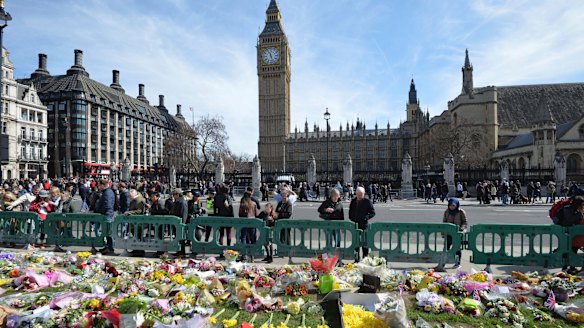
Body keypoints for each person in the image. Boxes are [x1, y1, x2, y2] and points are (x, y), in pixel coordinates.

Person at [556, 196, 584, 274]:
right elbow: (570, 219)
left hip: (574, 235)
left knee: (573, 251)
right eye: (581, 204)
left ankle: (571, 267)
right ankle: (565, 268)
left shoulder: (575, 210)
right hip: (566, 234)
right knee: (568, 251)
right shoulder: (567, 209)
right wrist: (580, 214)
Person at [349, 186, 375, 261]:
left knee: (364, 243)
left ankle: (365, 259)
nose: (360, 196)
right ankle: (356, 259)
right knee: (355, 243)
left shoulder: (367, 201)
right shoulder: (353, 201)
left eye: (361, 194)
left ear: (364, 194)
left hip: (364, 225)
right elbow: (351, 211)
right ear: (356, 193)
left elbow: (372, 213)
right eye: (358, 194)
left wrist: (366, 217)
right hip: (355, 224)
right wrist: (351, 218)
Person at [440, 198, 468, 269]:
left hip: (457, 234)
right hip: (449, 233)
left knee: (457, 249)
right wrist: (443, 232)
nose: (452, 207)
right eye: (450, 205)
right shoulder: (447, 212)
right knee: (446, 248)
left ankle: (457, 263)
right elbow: (444, 222)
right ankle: (444, 262)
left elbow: (465, 222)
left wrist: (462, 228)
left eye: (453, 205)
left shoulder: (461, 212)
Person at [95, 179, 115, 255]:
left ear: (102, 185)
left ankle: (109, 248)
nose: (98, 187)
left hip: (106, 214)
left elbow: (108, 205)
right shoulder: (107, 192)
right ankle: (108, 247)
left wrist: (101, 211)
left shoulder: (107, 193)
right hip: (107, 214)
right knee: (106, 231)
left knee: (107, 232)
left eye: (99, 185)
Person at [213, 184, 234, 250]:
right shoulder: (227, 197)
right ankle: (228, 248)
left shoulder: (217, 197)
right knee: (229, 233)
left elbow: (215, 207)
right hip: (228, 217)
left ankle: (221, 250)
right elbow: (231, 208)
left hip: (220, 216)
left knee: (221, 234)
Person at [171, 188, 189, 257]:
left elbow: (183, 214)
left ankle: (182, 252)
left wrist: (182, 223)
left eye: (174, 194)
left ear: (177, 194)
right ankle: (179, 251)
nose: (173, 196)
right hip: (176, 222)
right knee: (178, 237)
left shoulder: (182, 202)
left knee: (181, 238)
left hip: (179, 223)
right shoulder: (178, 201)